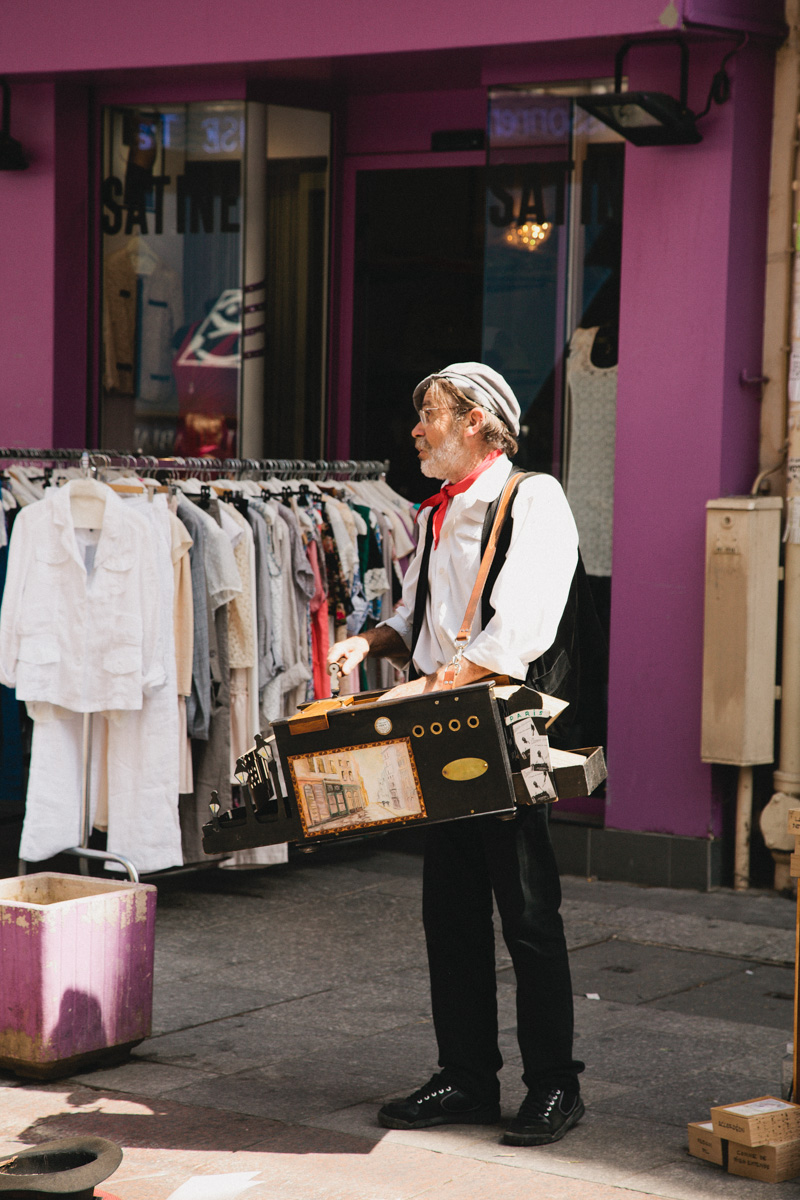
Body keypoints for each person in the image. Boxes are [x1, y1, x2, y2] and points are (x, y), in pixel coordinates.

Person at [327, 362, 585, 1147]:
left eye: (428, 415)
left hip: (500, 731)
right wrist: (366, 643)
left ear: (475, 420)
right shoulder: (439, 513)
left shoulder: (532, 497)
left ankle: (554, 1086)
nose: (415, 430)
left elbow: (521, 627)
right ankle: (468, 1077)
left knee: (530, 916)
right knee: (452, 915)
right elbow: (416, 614)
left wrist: (438, 683)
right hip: (442, 729)